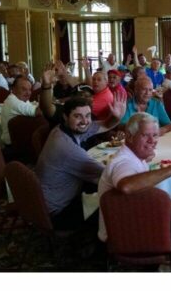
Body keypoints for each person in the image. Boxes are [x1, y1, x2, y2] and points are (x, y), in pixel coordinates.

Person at [97, 113, 171, 272]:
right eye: (145, 135)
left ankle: (168, 265)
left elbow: (142, 192)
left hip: (129, 226)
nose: (152, 140)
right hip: (130, 236)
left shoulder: (133, 157)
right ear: (130, 136)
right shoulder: (124, 163)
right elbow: (126, 186)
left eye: (155, 135)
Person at [35, 94, 126, 230]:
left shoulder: (61, 129)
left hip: (45, 199)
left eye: (88, 115)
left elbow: (104, 125)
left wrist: (117, 117)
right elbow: (109, 176)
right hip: (58, 213)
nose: (84, 121)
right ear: (65, 117)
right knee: (117, 198)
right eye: (77, 116)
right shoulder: (67, 149)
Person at [1, 75, 41, 146]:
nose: (28, 93)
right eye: (24, 89)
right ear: (13, 89)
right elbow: (38, 112)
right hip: (14, 146)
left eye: (29, 89)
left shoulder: (22, 99)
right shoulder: (13, 101)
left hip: (23, 141)